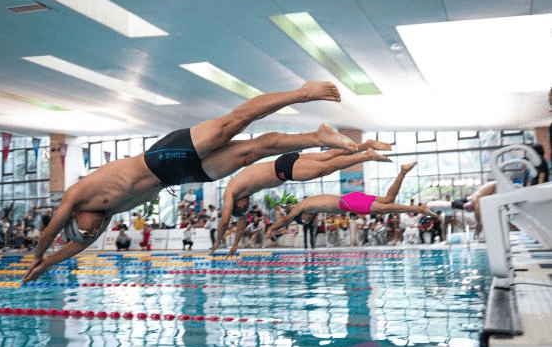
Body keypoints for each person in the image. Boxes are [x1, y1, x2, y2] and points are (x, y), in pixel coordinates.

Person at [23, 81, 357, 282]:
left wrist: (38, 254)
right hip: (182, 176)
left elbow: (52, 230)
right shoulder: (103, 218)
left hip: (162, 156)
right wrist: (47, 264)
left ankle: (302, 92)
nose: (91, 232)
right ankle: (317, 136)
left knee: (235, 122)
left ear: (75, 220)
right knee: (254, 152)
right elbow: (74, 246)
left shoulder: (77, 194)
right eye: (89, 234)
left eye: (85, 230)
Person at [210, 145, 391, 255]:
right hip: (284, 162)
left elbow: (226, 220)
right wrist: (234, 245)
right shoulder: (242, 190)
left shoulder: (231, 191)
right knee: (328, 156)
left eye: (243, 206)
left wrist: (217, 242)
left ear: (234, 204)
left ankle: (366, 155)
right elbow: (240, 222)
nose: (248, 205)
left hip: (284, 170)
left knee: (326, 168)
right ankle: (365, 145)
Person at [266, 162, 436, 238]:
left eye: (305, 221)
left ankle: (420, 210)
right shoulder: (309, 206)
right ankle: (403, 172)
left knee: (386, 208)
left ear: (301, 217)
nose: (309, 219)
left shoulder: (301, 208)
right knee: (388, 199)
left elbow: (287, 218)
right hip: (350, 199)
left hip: (348, 203)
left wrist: (272, 228)